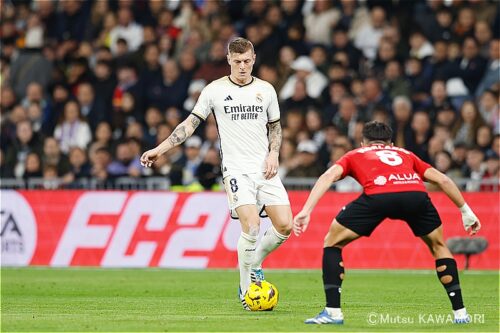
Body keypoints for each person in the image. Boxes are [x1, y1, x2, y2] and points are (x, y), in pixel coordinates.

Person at [141, 37, 293, 310]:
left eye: (247, 61)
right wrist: (160, 149)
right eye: (237, 62)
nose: (243, 66)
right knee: (252, 227)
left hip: (264, 169)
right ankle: (246, 289)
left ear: (254, 58)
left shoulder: (266, 90)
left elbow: (275, 128)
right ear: (228, 61)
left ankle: (255, 263)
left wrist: (274, 154)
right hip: (235, 169)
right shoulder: (215, 90)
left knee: (285, 226)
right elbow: (190, 125)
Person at [293, 121, 481, 325]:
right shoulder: (405, 154)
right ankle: (461, 314)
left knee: (332, 242)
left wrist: (306, 210)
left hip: (379, 195)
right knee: (438, 246)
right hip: (415, 196)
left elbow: (329, 175)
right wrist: (466, 211)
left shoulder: (356, 154)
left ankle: (333, 312)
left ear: (363, 143)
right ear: (390, 144)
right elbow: (442, 180)